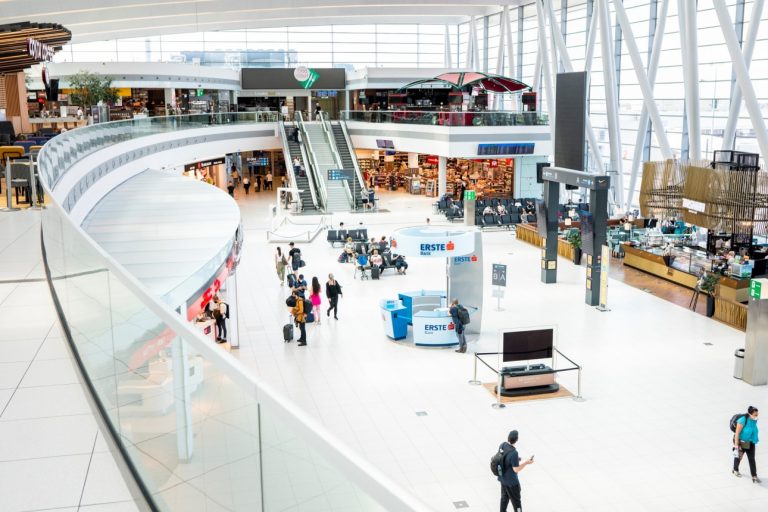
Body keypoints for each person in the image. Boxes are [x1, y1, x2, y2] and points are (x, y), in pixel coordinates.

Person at [497, 430, 534, 512]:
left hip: (503, 478)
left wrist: (516, 459)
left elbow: (503, 457)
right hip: (512, 483)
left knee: (504, 498)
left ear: (508, 437)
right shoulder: (514, 453)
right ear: (516, 440)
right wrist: (526, 463)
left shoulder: (502, 445)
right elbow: (516, 469)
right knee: (516, 502)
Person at [733, 406, 760, 482]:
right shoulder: (742, 420)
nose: (756, 416)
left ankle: (754, 476)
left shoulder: (754, 420)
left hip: (751, 442)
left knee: (752, 459)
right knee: (739, 457)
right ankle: (735, 469)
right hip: (741, 442)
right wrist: (736, 446)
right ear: (750, 414)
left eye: (757, 415)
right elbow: (737, 433)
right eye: (755, 415)